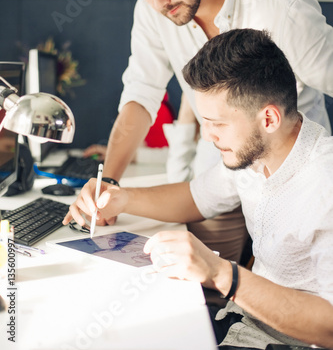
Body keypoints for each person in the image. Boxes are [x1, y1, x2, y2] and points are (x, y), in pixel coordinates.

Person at [83, 0, 333, 261]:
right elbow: (141, 94)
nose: (158, 3)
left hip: (299, 179)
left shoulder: (283, 12)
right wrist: (108, 183)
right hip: (225, 170)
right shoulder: (155, 11)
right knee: (201, 287)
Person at [64, 29, 333, 348]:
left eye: (217, 123)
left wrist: (222, 274)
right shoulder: (255, 150)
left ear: (269, 118)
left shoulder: (324, 182)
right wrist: (122, 198)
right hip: (242, 320)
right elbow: (196, 197)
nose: (207, 136)